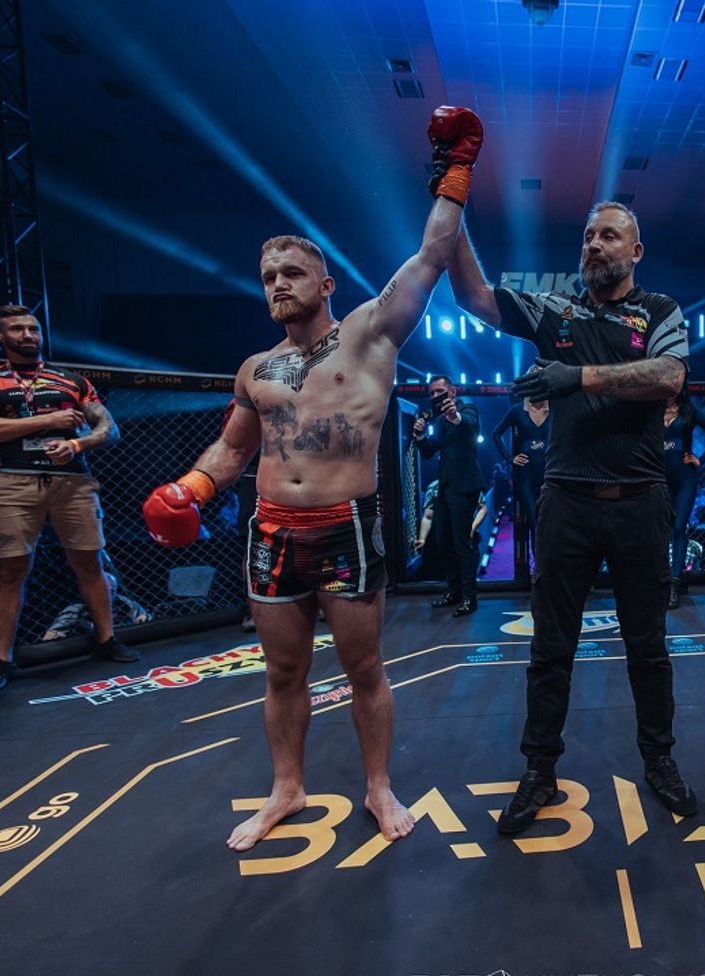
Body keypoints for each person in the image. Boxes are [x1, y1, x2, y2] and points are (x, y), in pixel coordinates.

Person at [141, 105, 483, 851]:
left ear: (325, 282)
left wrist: (456, 171)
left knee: (364, 668)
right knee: (282, 672)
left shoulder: (368, 334)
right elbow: (231, 450)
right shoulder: (255, 369)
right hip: (272, 532)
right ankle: (287, 789)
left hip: (344, 527)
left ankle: (378, 787)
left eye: (291, 273)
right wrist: (191, 490)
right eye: (268, 277)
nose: (278, 284)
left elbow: (432, 254)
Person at [448, 199, 699, 835]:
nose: (593, 244)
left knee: (648, 646)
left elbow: (668, 377)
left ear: (635, 252)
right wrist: (453, 203)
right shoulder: (555, 310)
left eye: (608, 236)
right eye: (588, 235)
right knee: (550, 647)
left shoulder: (659, 310)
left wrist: (578, 377)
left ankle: (660, 760)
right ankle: (538, 770)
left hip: (639, 498)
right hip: (566, 499)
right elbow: (473, 296)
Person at [0, 305, 140, 695]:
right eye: (17, 329)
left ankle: (107, 638)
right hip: (15, 481)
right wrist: (47, 421)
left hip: (73, 482)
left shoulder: (70, 380)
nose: (28, 335)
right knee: (10, 571)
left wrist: (77, 443)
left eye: (33, 328)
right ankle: (2, 659)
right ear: (0, 336)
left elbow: (109, 429)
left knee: (90, 562)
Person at [412, 374, 484, 616]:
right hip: (445, 487)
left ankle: (469, 597)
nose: (435, 396)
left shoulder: (467, 409)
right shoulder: (441, 420)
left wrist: (455, 416)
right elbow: (429, 451)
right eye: (431, 393)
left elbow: (471, 427)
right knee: (443, 541)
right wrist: (420, 436)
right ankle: (454, 591)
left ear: (452, 392)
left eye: (439, 391)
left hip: (465, 486)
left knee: (462, 543)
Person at [662, 387, 705, 608]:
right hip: (659, 478)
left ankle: (675, 582)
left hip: (685, 478)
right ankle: (662, 579)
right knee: (661, 529)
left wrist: (700, 459)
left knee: (678, 528)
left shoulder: (689, 410)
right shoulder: (652, 410)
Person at [491, 397, 549, 563]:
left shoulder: (554, 409)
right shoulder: (517, 410)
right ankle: (540, 568)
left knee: (551, 524)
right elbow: (496, 434)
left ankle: (551, 568)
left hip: (549, 474)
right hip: (526, 476)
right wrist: (509, 458)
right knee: (535, 523)